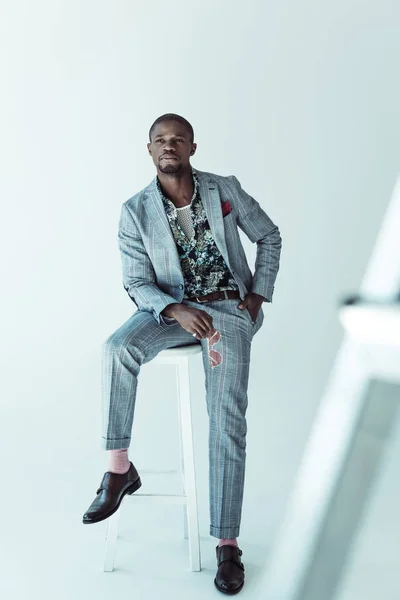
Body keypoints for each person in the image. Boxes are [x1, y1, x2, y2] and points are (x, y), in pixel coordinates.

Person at [82, 113, 282, 595]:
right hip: (169, 311)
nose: (168, 146)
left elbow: (269, 236)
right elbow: (136, 281)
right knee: (117, 347)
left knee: (226, 420)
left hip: (227, 314)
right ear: (149, 150)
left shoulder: (224, 189)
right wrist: (173, 309)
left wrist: (256, 297)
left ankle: (227, 545)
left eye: (177, 140)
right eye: (160, 140)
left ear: (193, 148)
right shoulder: (135, 210)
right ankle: (118, 470)